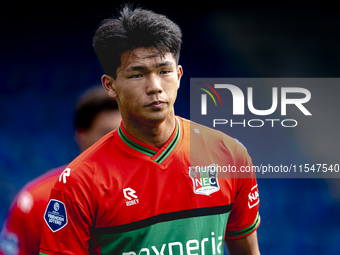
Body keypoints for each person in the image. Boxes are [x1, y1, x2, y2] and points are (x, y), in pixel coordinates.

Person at [39, 5, 261, 255]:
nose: (155, 86)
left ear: (178, 75)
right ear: (110, 85)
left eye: (164, 71)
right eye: (137, 75)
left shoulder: (230, 155)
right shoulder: (79, 182)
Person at [0, 86, 121, 255]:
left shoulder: (155, 192)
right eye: (107, 133)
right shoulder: (37, 201)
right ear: (82, 136)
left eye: (125, 133)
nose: (118, 142)